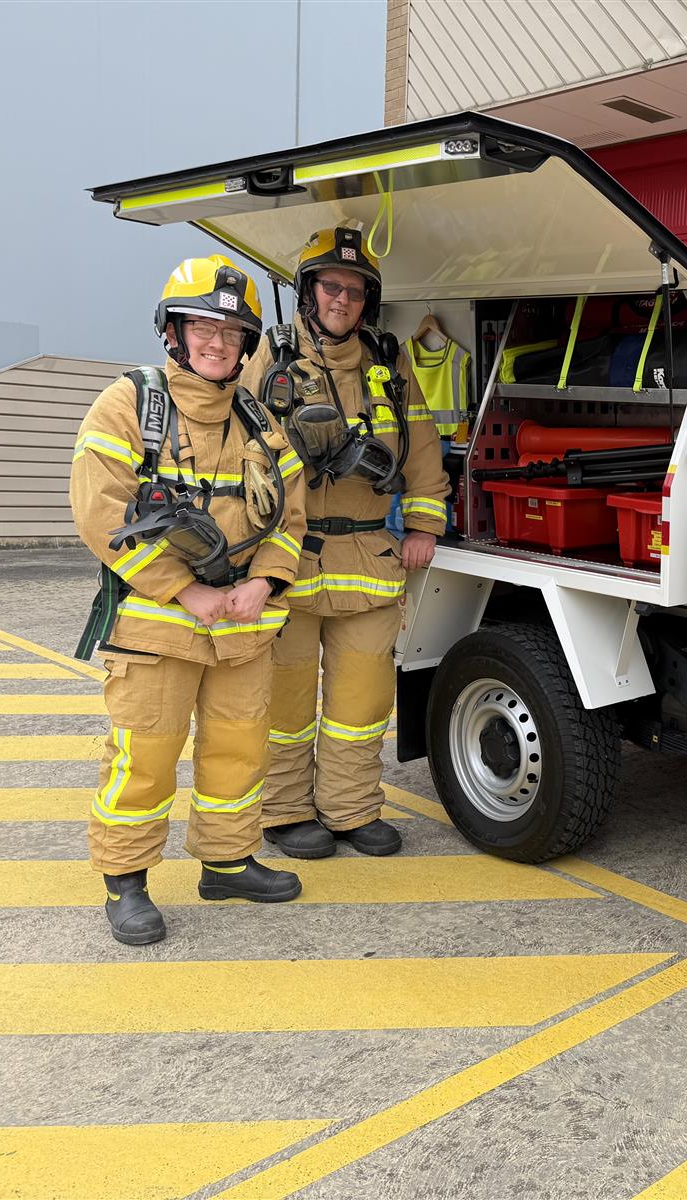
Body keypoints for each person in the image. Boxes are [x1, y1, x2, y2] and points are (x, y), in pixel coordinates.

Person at [70, 255, 309, 945]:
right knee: (144, 758)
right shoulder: (128, 405)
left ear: (246, 346)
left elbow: (289, 516)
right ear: (172, 332)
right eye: (201, 326)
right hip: (156, 628)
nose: (216, 342)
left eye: (232, 332)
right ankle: (126, 883)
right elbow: (100, 514)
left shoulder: (259, 419)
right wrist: (186, 589)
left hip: (243, 627)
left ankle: (227, 861)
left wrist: (266, 581)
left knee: (238, 751)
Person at [242, 226, 450, 859]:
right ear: (308, 292)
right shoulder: (270, 363)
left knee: (360, 706)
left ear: (368, 302)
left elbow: (421, 445)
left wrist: (424, 524)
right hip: (290, 564)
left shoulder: (390, 364)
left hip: (370, 559)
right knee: (287, 705)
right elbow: (239, 457)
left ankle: (351, 811)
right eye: (331, 286)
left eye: (355, 291)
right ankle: (284, 813)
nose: (342, 300)